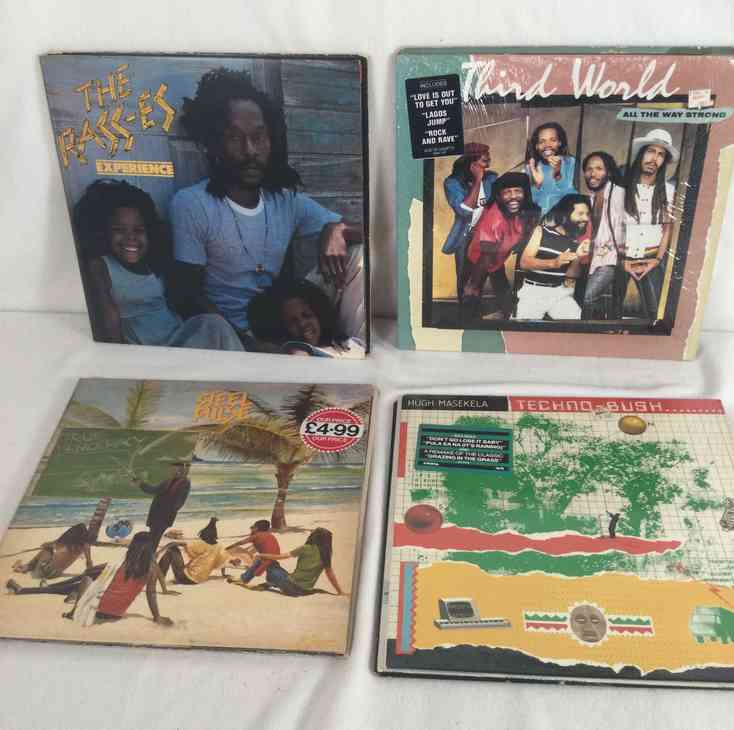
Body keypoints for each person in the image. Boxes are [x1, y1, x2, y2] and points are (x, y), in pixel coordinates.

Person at [169, 67, 363, 347]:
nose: (250, 150)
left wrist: (338, 229)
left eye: (258, 137)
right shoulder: (192, 204)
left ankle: (357, 348)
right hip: (227, 335)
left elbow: (368, 231)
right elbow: (188, 298)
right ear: (213, 144)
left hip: (281, 319)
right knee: (212, 326)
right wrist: (250, 344)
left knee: (358, 255)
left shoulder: (285, 201)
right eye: (235, 137)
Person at [75, 180, 244, 350]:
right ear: (102, 232)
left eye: (138, 230)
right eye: (119, 230)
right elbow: (109, 322)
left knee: (214, 324)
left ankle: (242, 363)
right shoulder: (100, 266)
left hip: (177, 339)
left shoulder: (151, 263)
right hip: (146, 351)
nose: (131, 238)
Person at [6, 532, 174, 627]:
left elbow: (88, 572)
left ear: (133, 546)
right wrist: (157, 617)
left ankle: (73, 611)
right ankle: (28, 590)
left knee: (85, 579)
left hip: (98, 609)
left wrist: (98, 568)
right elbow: (151, 594)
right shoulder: (152, 569)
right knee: (79, 584)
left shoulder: (120, 565)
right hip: (116, 613)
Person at [462, 172, 540, 319]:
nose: (513, 196)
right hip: (478, 261)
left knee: (504, 296)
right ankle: (470, 321)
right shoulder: (495, 219)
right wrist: (473, 284)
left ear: (525, 193)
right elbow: (486, 256)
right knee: (471, 296)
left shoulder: (526, 213)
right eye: (507, 192)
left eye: (518, 191)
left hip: (496, 260)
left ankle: (508, 315)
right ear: (499, 196)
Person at [621, 129, 677, 320]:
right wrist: (621, 260)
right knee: (610, 311)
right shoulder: (621, 186)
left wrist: (657, 259)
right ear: (641, 153)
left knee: (656, 313)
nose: (654, 158)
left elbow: (668, 228)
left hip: (652, 259)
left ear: (664, 161)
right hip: (621, 258)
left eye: (661, 154)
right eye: (650, 151)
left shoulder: (670, 191)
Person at [515, 194, 590, 320]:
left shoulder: (575, 242)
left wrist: (578, 256)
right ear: (565, 215)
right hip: (533, 292)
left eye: (587, 214)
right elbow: (525, 262)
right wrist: (554, 262)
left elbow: (571, 275)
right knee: (523, 328)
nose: (586, 218)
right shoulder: (541, 231)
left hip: (559, 293)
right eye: (580, 214)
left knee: (577, 324)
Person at [248, 279, 366, 358]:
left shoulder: (351, 343)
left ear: (319, 315)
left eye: (307, 315)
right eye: (293, 321)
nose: (302, 323)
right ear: (283, 328)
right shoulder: (294, 354)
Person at [441, 142, 497, 302]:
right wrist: (478, 180)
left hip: (486, 235)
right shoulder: (452, 183)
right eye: (483, 158)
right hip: (466, 237)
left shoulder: (491, 178)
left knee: (484, 276)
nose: (488, 159)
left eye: (488, 156)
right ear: (471, 162)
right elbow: (464, 211)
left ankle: (478, 311)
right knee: (464, 278)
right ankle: (465, 311)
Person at [580, 151, 626, 318]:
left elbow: (624, 233)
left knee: (586, 298)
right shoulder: (590, 199)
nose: (593, 173)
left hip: (611, 260)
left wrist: (602, 251)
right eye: (589, 169)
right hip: (592, 259)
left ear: (609, 173)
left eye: (599, 169)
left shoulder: (619, 195)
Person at [252, 528, 346, 597]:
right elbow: (330, 574)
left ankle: (260, 581)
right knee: (285, 574)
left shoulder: (305, 548)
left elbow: (281, 557)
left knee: (273, 565)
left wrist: (262, 555)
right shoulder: (326, 554)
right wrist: (340, 591)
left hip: (290, 588)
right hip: (305, 591)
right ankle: (271, 583)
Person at [157, 517, 241, 585]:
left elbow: (174, 543)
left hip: (186, 578)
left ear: (204, 535)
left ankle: (159, 576)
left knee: (172, 549)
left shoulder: (201, 543)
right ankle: (159, 575)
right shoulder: (219, 547)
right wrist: (223, 574)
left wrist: (160, 551)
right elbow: (224, 560)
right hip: (198, 580)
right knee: (175, 552)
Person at [133, 461, 192, 549]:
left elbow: (178, 503)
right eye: (172, 469)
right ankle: (149, 554)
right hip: (156, 515)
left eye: (174, 469)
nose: (171, 471)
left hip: (164, 517)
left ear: (180, 470)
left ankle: (150, 555)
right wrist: (141, 484)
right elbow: (153, 490)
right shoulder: (168, 481)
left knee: (154, 539)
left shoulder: (185, 483)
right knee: (152, 538)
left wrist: (169, 510)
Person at [525, 122, 578, 216]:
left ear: (560, 143)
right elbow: (531, 201)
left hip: (565, 217)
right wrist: (537, 185)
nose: (547, 145)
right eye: (542, 141)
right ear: (536, 146)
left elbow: (570, 194)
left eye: (553, 140)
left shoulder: (570, 162)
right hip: (541, 219)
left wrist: (557, 174)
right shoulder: (531, 168)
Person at [12, 523, 93, 581]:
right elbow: (89, 564)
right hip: (56, 573)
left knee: (47, 550)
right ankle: (27, 566)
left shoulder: (64, 542)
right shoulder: (83, 547)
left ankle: (26, 567)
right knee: (49, 552)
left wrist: (46, 545)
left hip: (45, 572)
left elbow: (46, 545)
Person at [226, 519, 281, 585]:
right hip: (276, 555)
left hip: (266, 556)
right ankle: (272, 581)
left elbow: (240, 542)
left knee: (255, 566)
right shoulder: (269, 535)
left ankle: (244, 579)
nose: (252, 528)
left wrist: (228, 548)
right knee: (270, 566)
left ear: (257, 528)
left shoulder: (256, 536)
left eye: (254, 527)